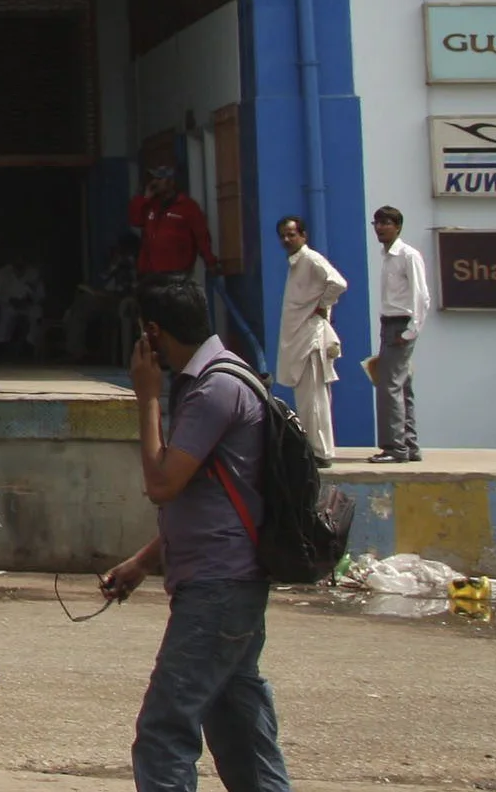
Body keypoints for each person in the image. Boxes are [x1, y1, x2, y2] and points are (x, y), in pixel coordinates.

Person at [101, 277, 294, 792]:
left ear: (153, 332)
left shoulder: (215, 388)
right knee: (240, 733)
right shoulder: (220, 378)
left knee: (163, 733)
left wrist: (146, 397)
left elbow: (162, 484)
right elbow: (210, 501)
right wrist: (142, 563)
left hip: (218, 588)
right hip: (228, 581)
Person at [273, 216, 346, 466]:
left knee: (314, 399)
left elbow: (338, 283)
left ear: (303, 236)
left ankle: (321, 453)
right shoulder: (297, 263)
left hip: (311, 339)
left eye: (291, 234)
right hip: (301, 338)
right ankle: (314, 450)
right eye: (283, 235)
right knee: (306, 399)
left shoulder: (311, 259)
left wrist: (322, 306)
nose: (287, 239)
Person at [367, 205, 429, 464]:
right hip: (390, 324)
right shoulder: (387, 256)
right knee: (402, 387)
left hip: (401, 325)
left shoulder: (407, 255)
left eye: (386, 223)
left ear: (398, 226)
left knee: (388, 386)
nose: (380, 228)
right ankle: (410, 446)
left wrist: (410, 331)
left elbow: (421, 296)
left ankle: (394, 448)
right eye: (377, 223)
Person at [130, 165, 217, 284]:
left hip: (176, 275)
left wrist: (210, 262)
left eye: (160, 179)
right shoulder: (151, 205)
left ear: (171, 182)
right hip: (150, 274)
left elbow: (201, 237)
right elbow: (135, 220)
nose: (155, 182)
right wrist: (145, 198)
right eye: (154, 178)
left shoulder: (188, 206)